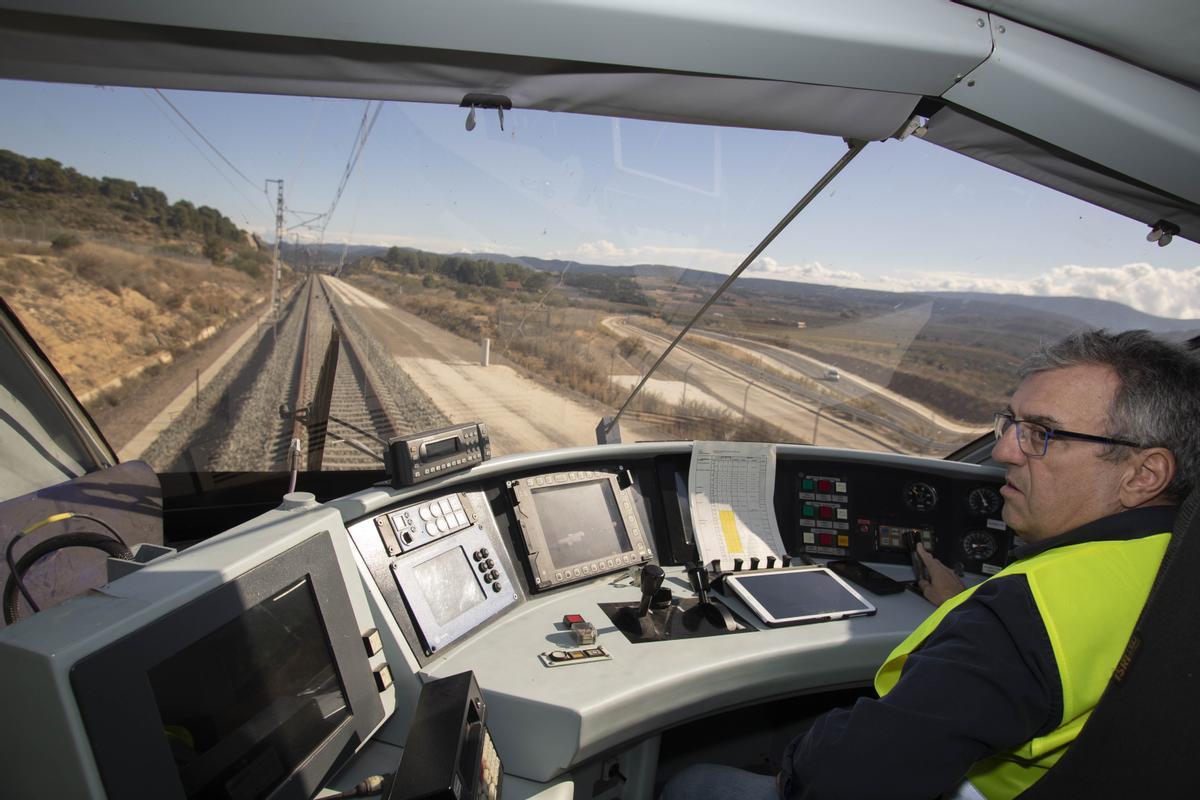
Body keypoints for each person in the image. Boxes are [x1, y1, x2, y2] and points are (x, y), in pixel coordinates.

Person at [661, 330, 1200, 800]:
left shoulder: (1027, 614)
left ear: (1143, 474)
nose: (1002, 452)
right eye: (1009, 423)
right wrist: (960, 605)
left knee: (697, 784)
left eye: (1042, 434)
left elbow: (847, 779)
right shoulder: (1172, 566)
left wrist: (793, 767)